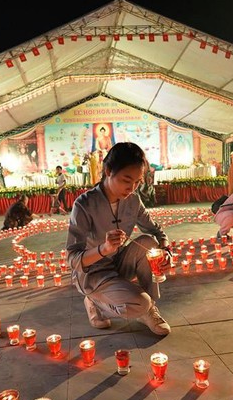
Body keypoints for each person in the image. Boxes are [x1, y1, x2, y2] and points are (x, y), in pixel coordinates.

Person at [66, 142, 172, 335]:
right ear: (108, 171)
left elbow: (157, 232)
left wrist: (166, 253)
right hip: (92, 274)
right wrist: (103, 249)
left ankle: (150, 308)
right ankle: (94, 300)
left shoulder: (132, 200)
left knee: (149, 242)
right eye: (126, 180)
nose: (132, 188)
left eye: (138, 182)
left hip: (118, 264)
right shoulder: (84, 205)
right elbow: (73, 260)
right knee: (139, 303)